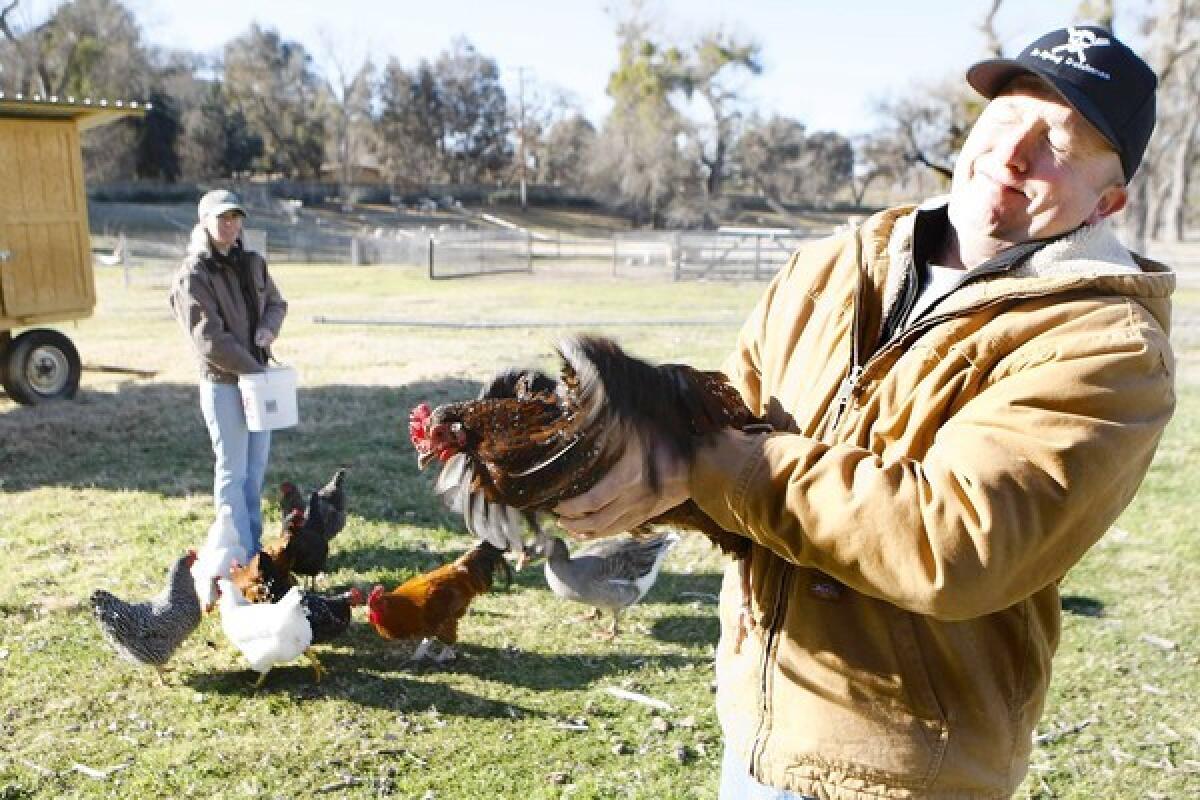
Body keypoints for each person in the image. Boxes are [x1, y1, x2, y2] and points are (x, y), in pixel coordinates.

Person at [557, 25, 1175, 799]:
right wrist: (631, 458)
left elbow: (955, 543)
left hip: (904, 769)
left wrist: (703, 460)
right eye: (1008, 118)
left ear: (1109, 199)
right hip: (757, 735)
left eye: (1060, 143)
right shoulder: (837, 263)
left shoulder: (1106, 346)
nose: (1016, 155)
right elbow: (735, 441)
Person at [170, 190, 288, 557]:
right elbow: (209, 340)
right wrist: (255, 370)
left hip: (258, 383)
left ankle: (251, 549)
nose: (230, 224)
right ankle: (234, 552)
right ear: (204, 222)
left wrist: (268, 329)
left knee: (254, 473)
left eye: (236, 217)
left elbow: (276, 303)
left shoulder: (253, 262)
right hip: (224, 385)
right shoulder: (193, 274)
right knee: (232, 472)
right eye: (222, 217)